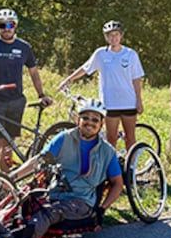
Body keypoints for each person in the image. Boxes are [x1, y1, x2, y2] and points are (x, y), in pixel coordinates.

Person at [0, 99, 124, 238]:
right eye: (85, 118)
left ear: (101, 124)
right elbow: (39, 160)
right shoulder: (64, 138)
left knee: (50, 212)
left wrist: (102, 209)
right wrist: (13, 177)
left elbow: (117, 184)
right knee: (24, 198)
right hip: (55, 193)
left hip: (81, 201)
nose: (89, 122)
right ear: (78, 119)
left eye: (95, 120)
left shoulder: (107, 152)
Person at [0, 8, 53, 171]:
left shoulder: (24, 47)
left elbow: (34, 73)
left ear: (15, 26)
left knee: (9, 144)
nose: (6, 29)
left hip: (16, 100)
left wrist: (41, 94)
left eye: (10, 25)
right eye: (2, 25)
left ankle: (5, 180)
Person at [57, 20, 145, 149]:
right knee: (111, 138)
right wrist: (68, 80)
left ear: (121, 36)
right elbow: (85, 68)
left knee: (130, 138)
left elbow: (136, 79)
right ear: (106, 37)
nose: (113, 38)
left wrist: (139, 101)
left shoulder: (131, 54)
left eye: (116, 35)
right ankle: (111, 162)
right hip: (110, 102)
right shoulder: (100, 54)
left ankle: (131, 161)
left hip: (128, 101)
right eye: (110, 35)